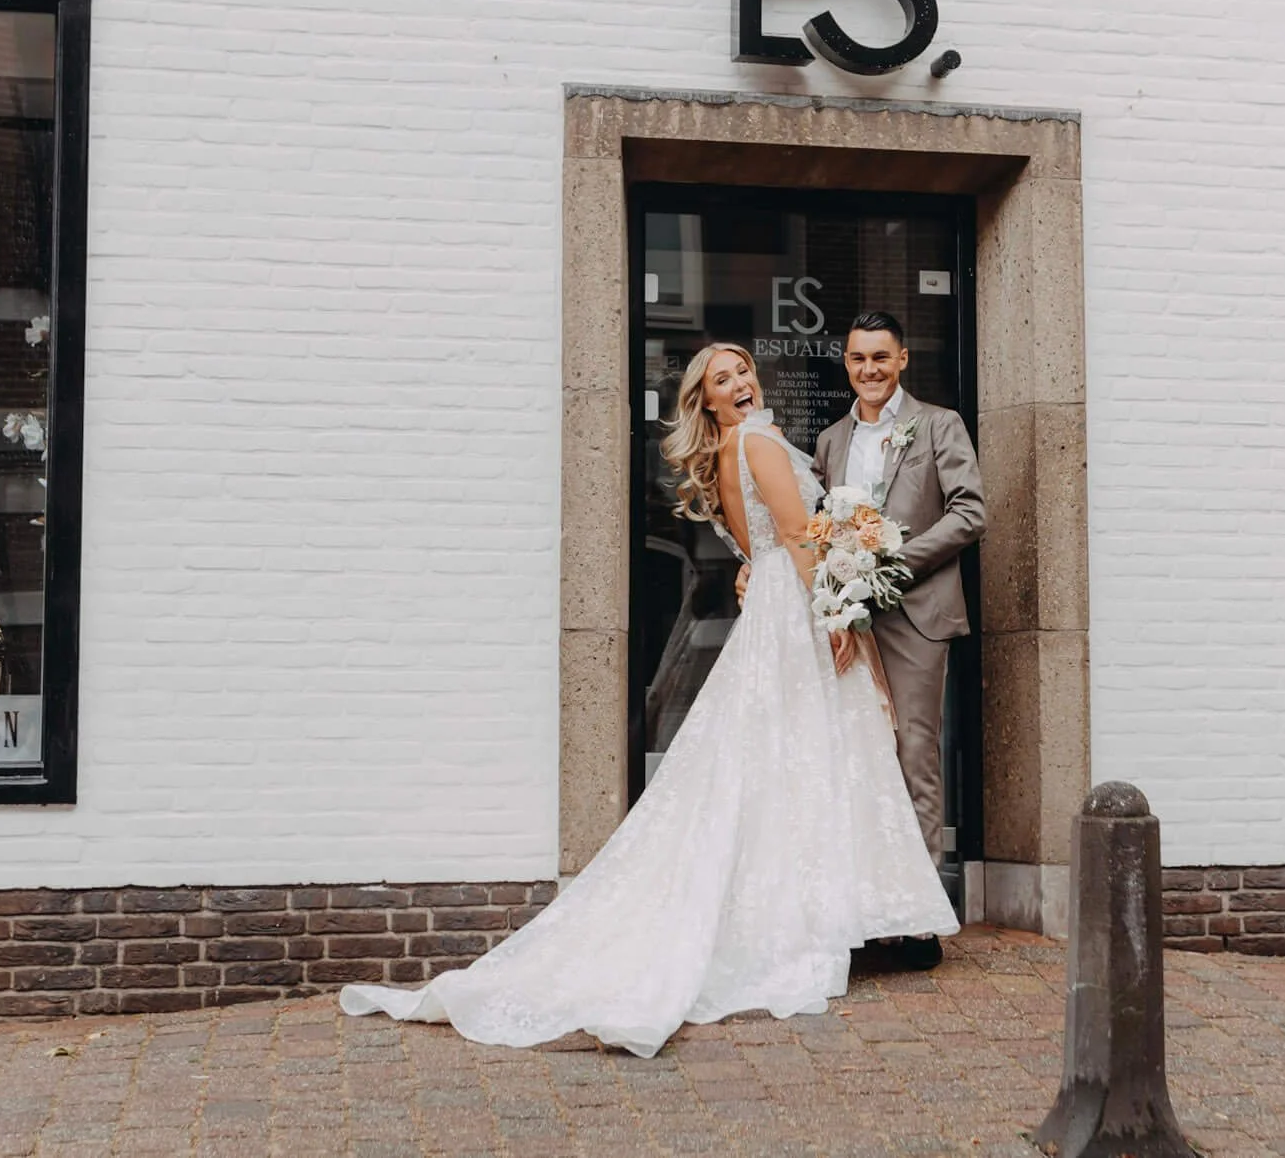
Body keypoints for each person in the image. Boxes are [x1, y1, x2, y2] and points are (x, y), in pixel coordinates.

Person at [340, 342, 954, 1057]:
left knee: (780, 763)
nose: (741, 382)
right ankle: (803, 922)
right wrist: (839, 614)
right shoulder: (756, 440)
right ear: (710, 401)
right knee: (808, 757)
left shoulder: (734, 445)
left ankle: (810, 911)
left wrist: (784, 567)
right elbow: (792, 534)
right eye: (723, 379)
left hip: (773, 609)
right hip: (797, 614)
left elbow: (759, 549)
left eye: (743, 370)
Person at [810, 313, 985, 971]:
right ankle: (865, 910)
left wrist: (895, 560)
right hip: (852, 620)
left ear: (903, 359)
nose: (870, 370)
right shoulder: (830, 440)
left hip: (916, 614)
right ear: (847, 364)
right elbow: (822, 528)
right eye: (858, 360)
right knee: (859, 757)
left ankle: (916, 919)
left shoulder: (940, 425)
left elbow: (971, 512)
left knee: (914, 753)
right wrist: (834, 585)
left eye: (881, 358)